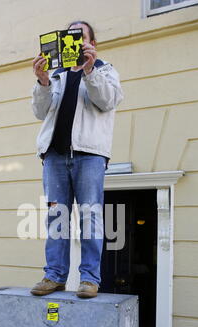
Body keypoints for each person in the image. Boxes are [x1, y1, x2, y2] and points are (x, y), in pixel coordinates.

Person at [30, 21, 124, 298]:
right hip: (55, 156)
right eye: (69, 36)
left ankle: (89, 278)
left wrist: (89, 71)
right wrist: (43, 81)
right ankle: (55, 275)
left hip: (90, 155)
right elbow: (39, 111)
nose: (75, 41)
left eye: (80, 36)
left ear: (92, 43)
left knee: (91, 216)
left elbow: (108, 101)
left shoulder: (105, 70)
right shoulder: (56, 75)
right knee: (56, 216)